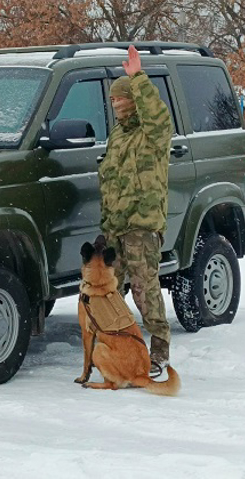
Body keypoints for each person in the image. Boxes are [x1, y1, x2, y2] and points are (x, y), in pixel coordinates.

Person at [98, 45, 173, 377]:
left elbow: (157, 115)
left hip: (141, 229)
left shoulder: (152, 135)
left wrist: (138, 78)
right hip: (115, 228)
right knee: (111, 294)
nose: (117, 105)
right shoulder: (117, 137)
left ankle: (158, 353)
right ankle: (119, 349)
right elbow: (110, 181)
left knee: (146, 292)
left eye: (122, 98)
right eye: (113, 100)